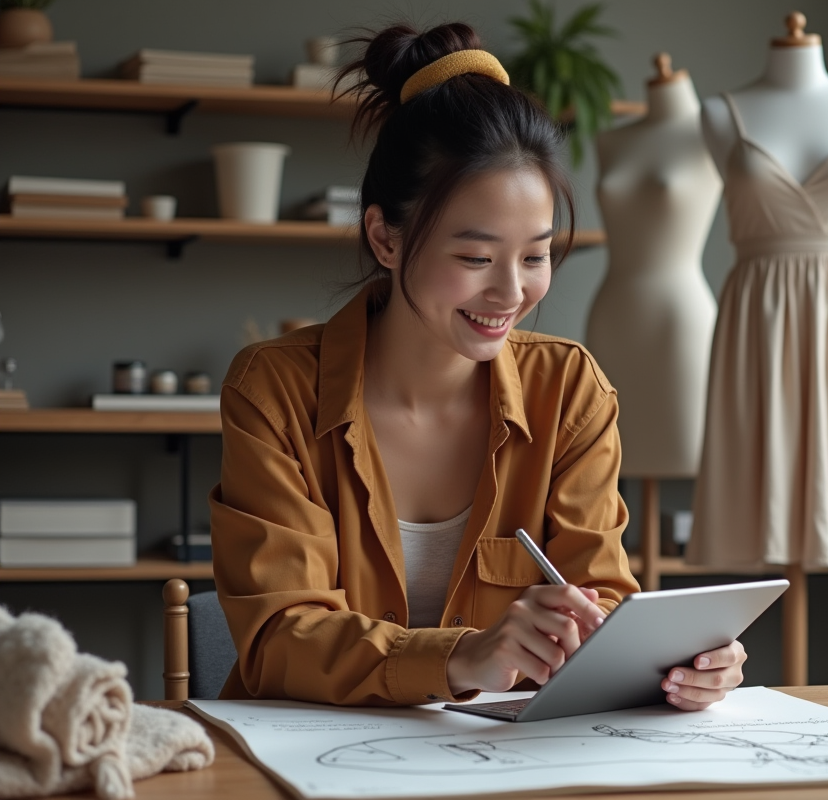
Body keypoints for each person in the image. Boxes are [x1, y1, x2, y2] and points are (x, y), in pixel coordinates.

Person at [208, 21, 747, 711]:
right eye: (475, 257)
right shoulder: (274, 391)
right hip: (306, 753)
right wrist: (461, 656)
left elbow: (600, 599)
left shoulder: (569, 392)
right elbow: (279, 635)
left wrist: (671, 662)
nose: (511, 292)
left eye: (535, 256)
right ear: (385, 238)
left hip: (503, 757)